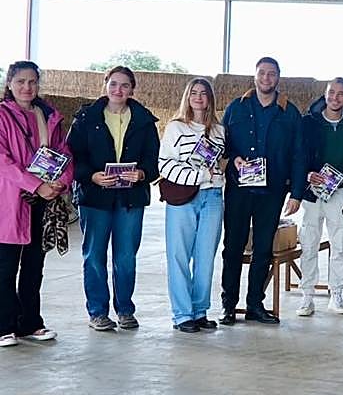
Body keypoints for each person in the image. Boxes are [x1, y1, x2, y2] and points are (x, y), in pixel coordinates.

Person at [68, 66, 160, 332]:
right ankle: (97, 311)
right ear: (105, 85)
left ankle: (125, 309)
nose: (118, 90)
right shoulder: (85, 118)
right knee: (94, 255)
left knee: (126, 256)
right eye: (114, 84)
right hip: (95, 197)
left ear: (132, 89)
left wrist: (142, 173)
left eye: (125, 85)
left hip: (131, 198)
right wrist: (92, 176)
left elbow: (153, 162)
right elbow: (73, 157)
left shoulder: (144, 121)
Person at [218, 57, 306, 325]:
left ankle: (255, 303)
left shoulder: (290, 112)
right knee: (233, 248)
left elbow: (299, 155)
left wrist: (297, 193)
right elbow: (223, 145)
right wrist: (233, 160)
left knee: (264, 250)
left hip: (272, 192)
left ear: (279, 77)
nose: (266, 78)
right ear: (254, 76)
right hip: (239, 191)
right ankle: (228, 305)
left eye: (272, 74)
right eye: (262, 73)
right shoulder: (236, 108)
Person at [0, 61, 72, 346]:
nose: (27, 87)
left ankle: (30, 322)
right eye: (21, 82)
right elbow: (3, 161)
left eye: (32, 82)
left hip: (43, 202)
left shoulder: (49, 116)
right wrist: (35, 185)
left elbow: (64, 152)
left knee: (34, 266)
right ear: (10, 83)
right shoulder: (3, 116)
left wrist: (60, 183)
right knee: (5, 267)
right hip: (10, 202)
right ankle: (4, 325)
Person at [158, 78, 225, 333]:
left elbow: (222, 163)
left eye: (203, 93)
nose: (198, 97)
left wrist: (217, 172)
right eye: (194, 93)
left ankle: (199, 310)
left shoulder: (219, 130)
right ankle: (182, 314)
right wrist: (197, 176)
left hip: (213, 198)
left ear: (210, 99)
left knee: (206, 256)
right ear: (187, 97)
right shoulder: (176, 128)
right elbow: (164, 164)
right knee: (179, 255)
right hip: (183, 197)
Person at [296, 78, 343, 318]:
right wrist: (306, 174)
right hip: (313, 190)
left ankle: (336, 294)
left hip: (341, 190)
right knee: (309, 241)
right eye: (331, 92)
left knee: (340, 242)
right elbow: (299, 153)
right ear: (324, 94)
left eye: (341, 94)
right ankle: (307, 296)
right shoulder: (309, 122)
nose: (335, 98)